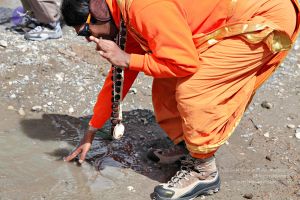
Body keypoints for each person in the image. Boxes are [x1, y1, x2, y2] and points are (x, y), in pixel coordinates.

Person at [61, 0, 300, 199]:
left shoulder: (143, 9)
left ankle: (204, 171)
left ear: (98, 14)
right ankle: (190, 149)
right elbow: (120, 74)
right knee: (165, 85)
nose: (87, 39)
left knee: (195, 90)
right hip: (228, 18)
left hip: (263, 16)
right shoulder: (122, 13)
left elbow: (183, 62)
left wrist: (128, 59)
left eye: (84, 32)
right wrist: (92, 128)